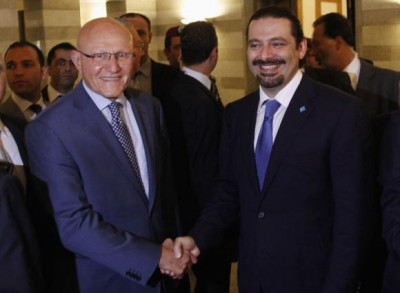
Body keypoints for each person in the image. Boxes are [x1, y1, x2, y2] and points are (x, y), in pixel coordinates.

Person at [172, 6, 372, 293]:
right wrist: (197, 237)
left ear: (301, 48)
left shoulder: (341, 113)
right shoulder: (236, 114)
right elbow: (228, 190)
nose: (265, 55)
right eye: (255, 45)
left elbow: (352, 220)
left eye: (277, 43)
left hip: (314, 280)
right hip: (253, 278)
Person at [25, 17, 193, 293]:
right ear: (78, 61)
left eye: (123, 55)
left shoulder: (150, 107)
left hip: (168, 278)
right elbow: (73, 224)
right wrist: (153, 258)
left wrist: (174, 244)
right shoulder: (50, 128)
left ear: (136, 56)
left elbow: (165, 192)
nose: (113, 67)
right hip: (107, 280)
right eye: (100, 55)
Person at [165, 21, 233, 293]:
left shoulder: (173, 91)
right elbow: (205, 168)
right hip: (204, 218)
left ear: (181, 53)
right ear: (214, 53)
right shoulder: (197, 101)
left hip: (184, 213)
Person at [311, 12, 400, 118]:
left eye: (317, 44)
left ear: (338, 43)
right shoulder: (315, 85)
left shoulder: (389, 82)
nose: (313, 52)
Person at [119, 13, 179, 104]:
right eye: (128, 33)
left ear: (149, 37)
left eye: (140, 33)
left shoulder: (174, 77)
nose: (135, 38)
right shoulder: (108, 76)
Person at [0, 41, 48, 121]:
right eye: (11, 66)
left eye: (27, 65)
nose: (18, 72)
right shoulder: (2, 114)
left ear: (43, 72)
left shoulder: (58, 110)